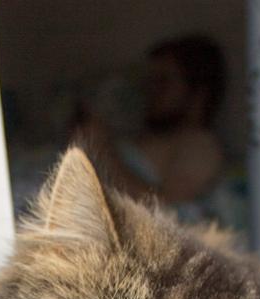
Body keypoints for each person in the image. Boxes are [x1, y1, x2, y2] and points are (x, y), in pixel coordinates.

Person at [75, 34, 226, 210]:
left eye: (163, 82)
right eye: (150, 82)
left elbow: (170, 209)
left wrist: (102, 150)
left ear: (199, 94)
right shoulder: (147, 135)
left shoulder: (200, 145)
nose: (151, 91)